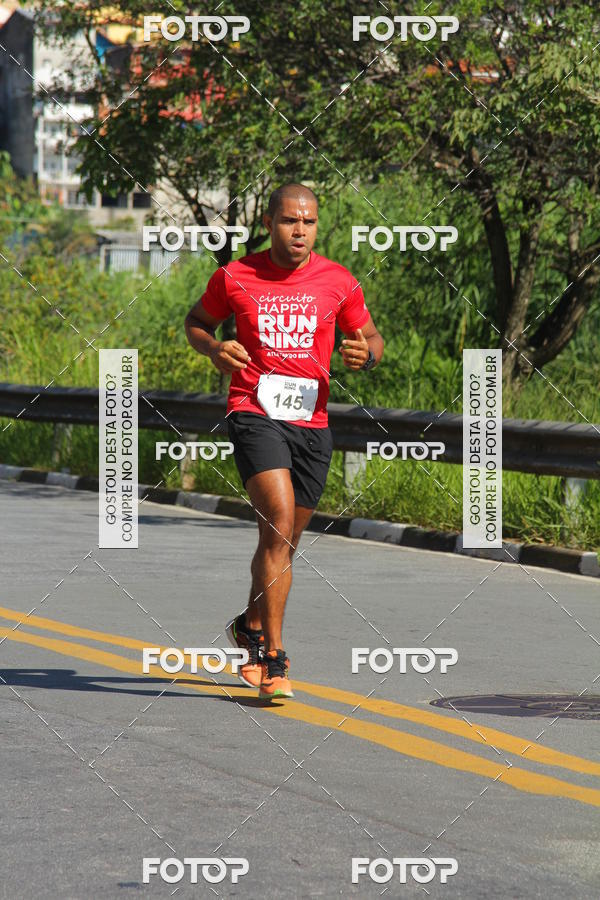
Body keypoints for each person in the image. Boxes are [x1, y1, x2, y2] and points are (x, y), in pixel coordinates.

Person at [185, 183, 384, 700]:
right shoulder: (236, 276)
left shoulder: (337, 280)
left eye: (310, 222)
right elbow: (196, 322)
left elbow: (372, 336)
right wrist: (213, 348)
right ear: (270, 222)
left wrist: (368, 354)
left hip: (312, 425)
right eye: (290, 221)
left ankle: (248, 625)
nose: (300, 231)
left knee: (282, 543)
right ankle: (272, 658)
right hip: (253, 411)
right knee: (277, 519)